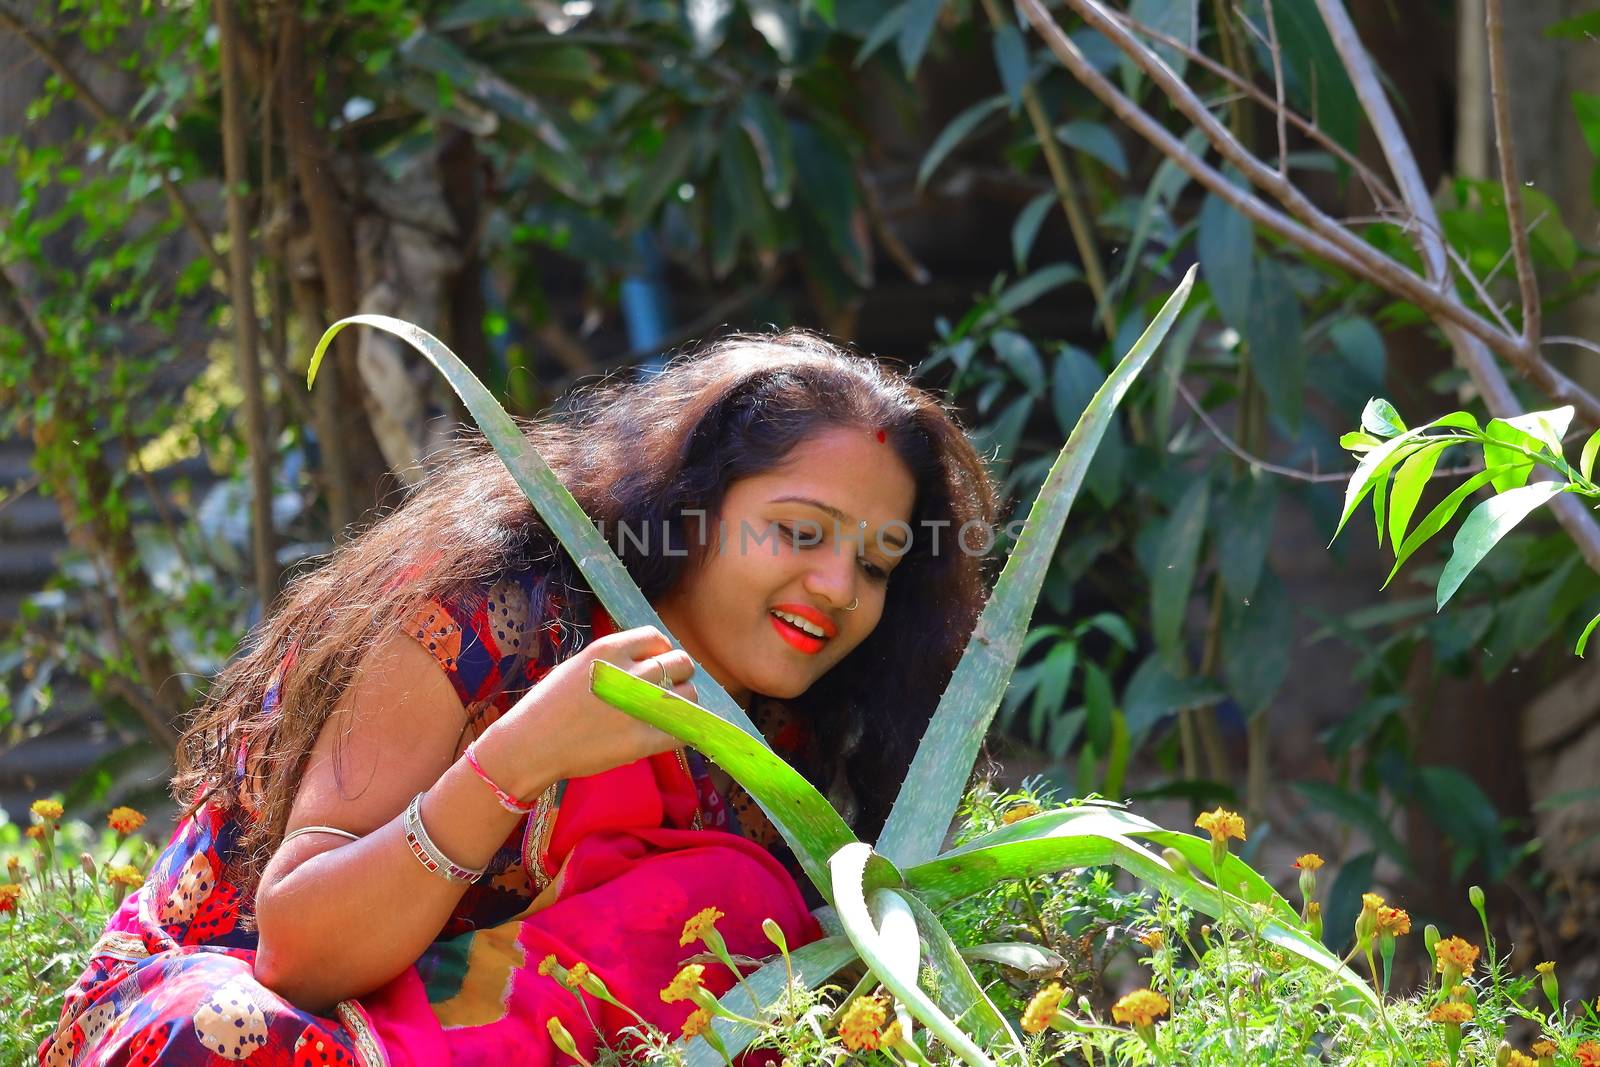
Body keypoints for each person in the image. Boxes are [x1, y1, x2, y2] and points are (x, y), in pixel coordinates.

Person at [40, 330, 999, 1066]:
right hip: (270, 1010)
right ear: (689, 506)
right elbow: (296, 953)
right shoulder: (481, 615)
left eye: (875, 563)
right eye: (799, 532)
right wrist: (519, 758)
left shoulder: (795, 743)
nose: (838, 587)